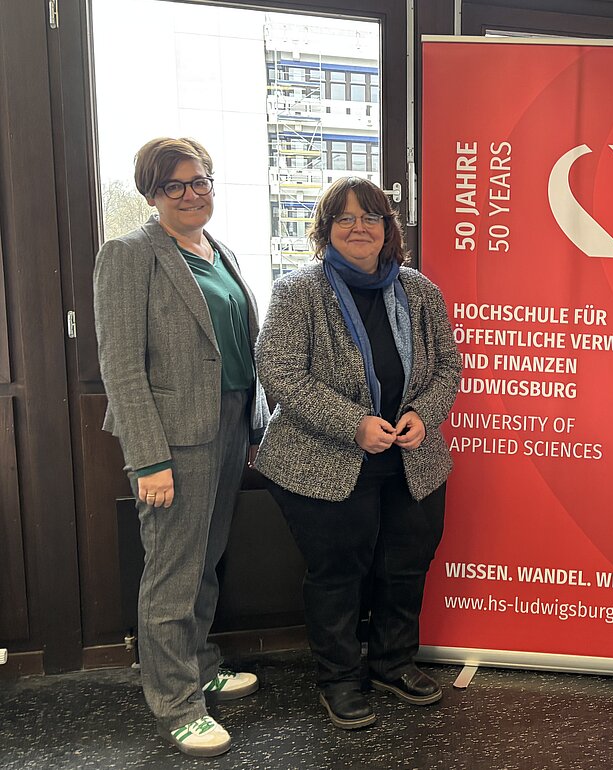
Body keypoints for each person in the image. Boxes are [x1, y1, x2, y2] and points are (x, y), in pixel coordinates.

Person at [253, 177, 461, 730]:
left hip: (412, 460)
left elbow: (448, 367)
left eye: (370, 217)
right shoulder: (298, 291)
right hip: (322, 461)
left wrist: (425, 414)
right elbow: (279, 371)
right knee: (338, 574)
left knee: (405, 567)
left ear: (389, 229)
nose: (358, 228)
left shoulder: (420, 291)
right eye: (344, 218)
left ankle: (394, 663)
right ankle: (340, 679)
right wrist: (353, 425)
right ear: (326, 230)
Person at [94, 137, 266, 757]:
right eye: (175, 185)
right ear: (152, 195)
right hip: (172, 438)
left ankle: (199, 663)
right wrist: (149, 458)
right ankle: (176, 702)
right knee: (172, 570)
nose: (191, 194)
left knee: (207, 558)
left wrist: (252, 427)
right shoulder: (129, 254)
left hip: (229, 422)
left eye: (201, 181)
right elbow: (121, 365)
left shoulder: (218, 250)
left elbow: (237, 347)